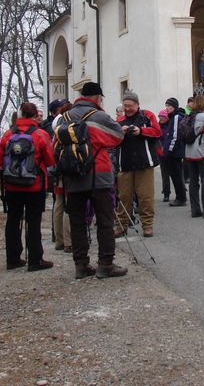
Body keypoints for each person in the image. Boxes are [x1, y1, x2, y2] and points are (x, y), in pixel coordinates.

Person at [60, 82, 126, 279]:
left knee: (78, 221)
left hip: (72, 175)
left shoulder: (65, 117)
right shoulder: (99, 115)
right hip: (99, 173)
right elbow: (118, 136)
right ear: (98, 97)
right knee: (105, 220)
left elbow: (56, 142)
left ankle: (81, 265)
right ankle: (105, 264)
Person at [0, 102, 56, 271]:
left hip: (12, 185)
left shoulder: (8, 134)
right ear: (35, 115)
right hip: (34, 185)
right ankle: (35, 260)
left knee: (13, 220)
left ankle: (13, 258)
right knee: (33, 221)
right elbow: (51, 160)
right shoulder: (40, 134)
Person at [115, 92, 162, 238]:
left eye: (130, 106)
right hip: (125, 164)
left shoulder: (147, 115)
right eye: (125, 106)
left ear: (137, 104)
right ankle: (121, 225)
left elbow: (157, 132)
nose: (127, 108)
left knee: (145, 197)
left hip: (144, 162)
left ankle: (147, 225)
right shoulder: (120, 120)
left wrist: (140, 131)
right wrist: (120, 132)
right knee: (124, 197)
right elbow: (112, 140)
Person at [50, 101, 73, 252]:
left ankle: (59, 240)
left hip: (58, 170)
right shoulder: (71, 128)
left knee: (58, 204)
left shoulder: (57, 128)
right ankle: (68, 242)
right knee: (69, 205)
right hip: (69, 171)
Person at [163, 97, 187, 206]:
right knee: (175, 175)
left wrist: (169, 150)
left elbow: (175, 135)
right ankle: (180, 196)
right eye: (166, 106)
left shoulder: (176, 117)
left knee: (176, 175)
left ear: (174, 107)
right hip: (173, 151)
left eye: (169, 106)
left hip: (175, 152)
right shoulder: (172, 117)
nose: (167, 108)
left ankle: (181, 198)